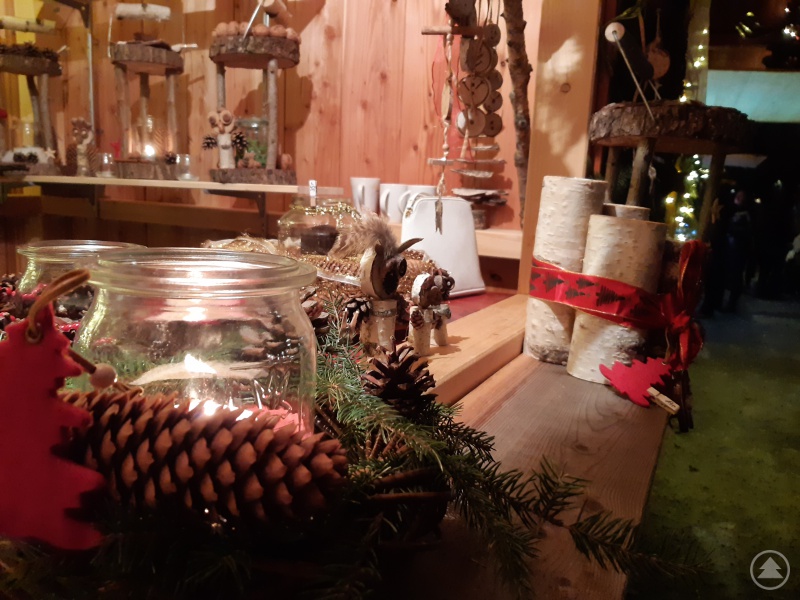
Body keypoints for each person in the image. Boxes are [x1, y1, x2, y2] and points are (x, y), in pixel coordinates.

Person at [722, 190, 753, 312]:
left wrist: (731, 228)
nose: (738, 198)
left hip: (739, 249)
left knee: (736, 276)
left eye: (741, 197)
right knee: (732, 275)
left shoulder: (746, 215)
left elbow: (746, 232)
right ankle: (729, 301)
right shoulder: (734, 211)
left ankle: (732, 303)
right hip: (732, 248)